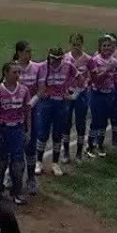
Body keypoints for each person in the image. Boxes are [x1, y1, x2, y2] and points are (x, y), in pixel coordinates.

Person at [0, 62, 29, 205]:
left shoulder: (24, 90)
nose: (17, 75)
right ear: (6, 73)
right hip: (3, 129)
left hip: (18, 129)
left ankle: (17, 191)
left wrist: (28, 130)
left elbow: (27, 111)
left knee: (18, 162)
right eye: (14, 72)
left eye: (18, 72)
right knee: (0, 161)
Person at [11, 41, 44, 195]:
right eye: (26, 51)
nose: (29, 54)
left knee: (30, 144)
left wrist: (30, 104)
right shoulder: (12, 67)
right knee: (13, 146)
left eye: (30, 51)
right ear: (19, 53)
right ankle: (11, 176)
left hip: (31, 111)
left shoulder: (37, 68)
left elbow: (41, 90)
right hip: (14, 112)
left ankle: (31, 178)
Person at [32, 47, 71, 177]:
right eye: (53, 58)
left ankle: (55, 162)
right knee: (42, 133)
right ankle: (38, 161)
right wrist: (39, 93)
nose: (55, 62)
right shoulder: (42, 67)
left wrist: (72, 93)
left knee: (57, 133)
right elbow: (33, 82)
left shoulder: (67, 66)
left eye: (58, 59)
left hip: (61, 103)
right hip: (46, 103)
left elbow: (80, 77)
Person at [86, 35, 117, 158]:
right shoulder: (95, 60)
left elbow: (116, 78)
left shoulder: (114, 61)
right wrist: (107, 70)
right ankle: (90, 145)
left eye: (109, 46)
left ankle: (100, 144)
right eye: (104, 46)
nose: (106, 48)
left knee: (104, 120)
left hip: (109, 93)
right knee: (96, 120)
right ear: (100, 47)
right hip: (97, 93)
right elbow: (95, 79)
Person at [61, 34, 92, 162]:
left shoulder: (88, 59)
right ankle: (66, 152)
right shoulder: (65, 58)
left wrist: (83, 86)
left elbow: (90, 76)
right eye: (74, 44)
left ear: (82, 45)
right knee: (66, 122)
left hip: (81, 93)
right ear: (70, 44)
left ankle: (79, 152)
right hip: (68, 94)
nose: (76, 47)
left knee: (80, 122)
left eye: (78, 45)